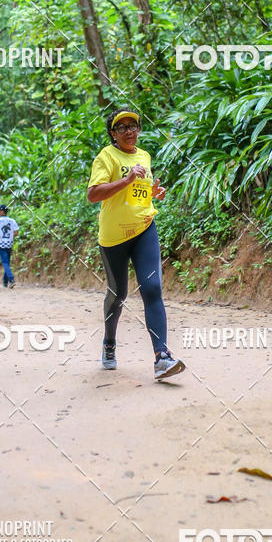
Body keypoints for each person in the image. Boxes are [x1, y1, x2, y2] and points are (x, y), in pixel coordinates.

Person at [87, 108, 185, 380]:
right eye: (122, 127)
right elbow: (93, 194)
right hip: (114, 237)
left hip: (144, 228)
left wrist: (152, 193)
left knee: (152, 287)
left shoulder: (144, 156)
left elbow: (138, 193)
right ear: (113, 134)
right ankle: (109, 343)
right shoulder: (106, 156)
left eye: (134, 125)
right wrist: (127, 179)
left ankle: (162, 358)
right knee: (118, 295)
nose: (129, 130)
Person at [0, 204, 18, 288]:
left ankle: (11, 279)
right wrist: (10, 236)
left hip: (2, 243)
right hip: (9, 243)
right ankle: (5, 282)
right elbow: (16, 232)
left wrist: (0, 236)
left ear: (2, 211)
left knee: (5, 262)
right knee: (7, 262)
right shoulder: (12, 220)